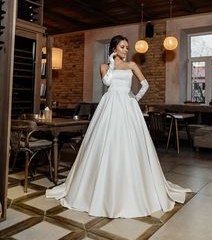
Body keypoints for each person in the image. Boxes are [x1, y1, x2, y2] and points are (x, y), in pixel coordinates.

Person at [46, 35, 191, 218]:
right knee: (106, 142)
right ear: (114, 48)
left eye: (127, 47)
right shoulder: (104, 67)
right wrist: (111, 64)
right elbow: (107, 82)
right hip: (109, 105)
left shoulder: (131, 65)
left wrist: (133, 99)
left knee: (129, 143)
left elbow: (145, 85)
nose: (126, 50)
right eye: (122, 47)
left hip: (127, 105)